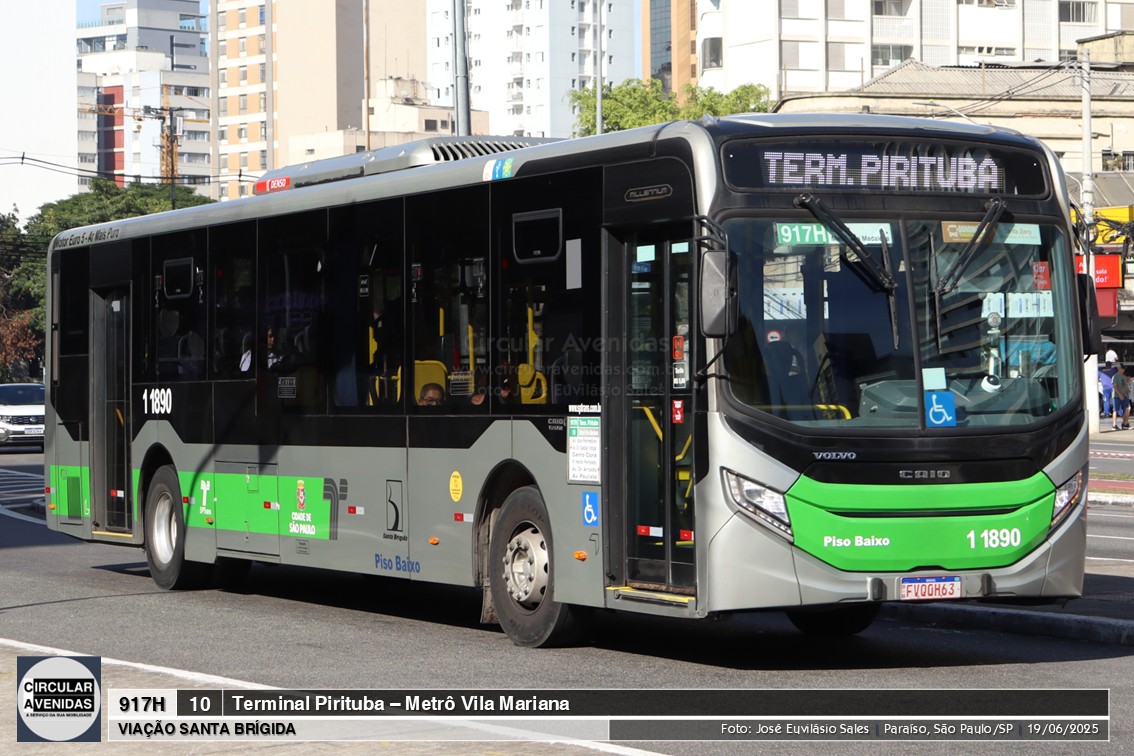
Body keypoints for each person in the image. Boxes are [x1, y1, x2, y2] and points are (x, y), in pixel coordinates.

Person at [1112, 364, 1131, 431]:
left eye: (1124, 369)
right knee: (1115, 410)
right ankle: (1114, 425)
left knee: (1128, 408)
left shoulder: (1123, 376)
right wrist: (1119, 394)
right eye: (1122, 369)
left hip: (1124, 395)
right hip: (1116, 396)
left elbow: (1125, 385)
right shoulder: (1115, 376)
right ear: (1119, 369)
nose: (1124, 370)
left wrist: (1127, 391)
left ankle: (1125, 423)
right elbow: (1115, 386)